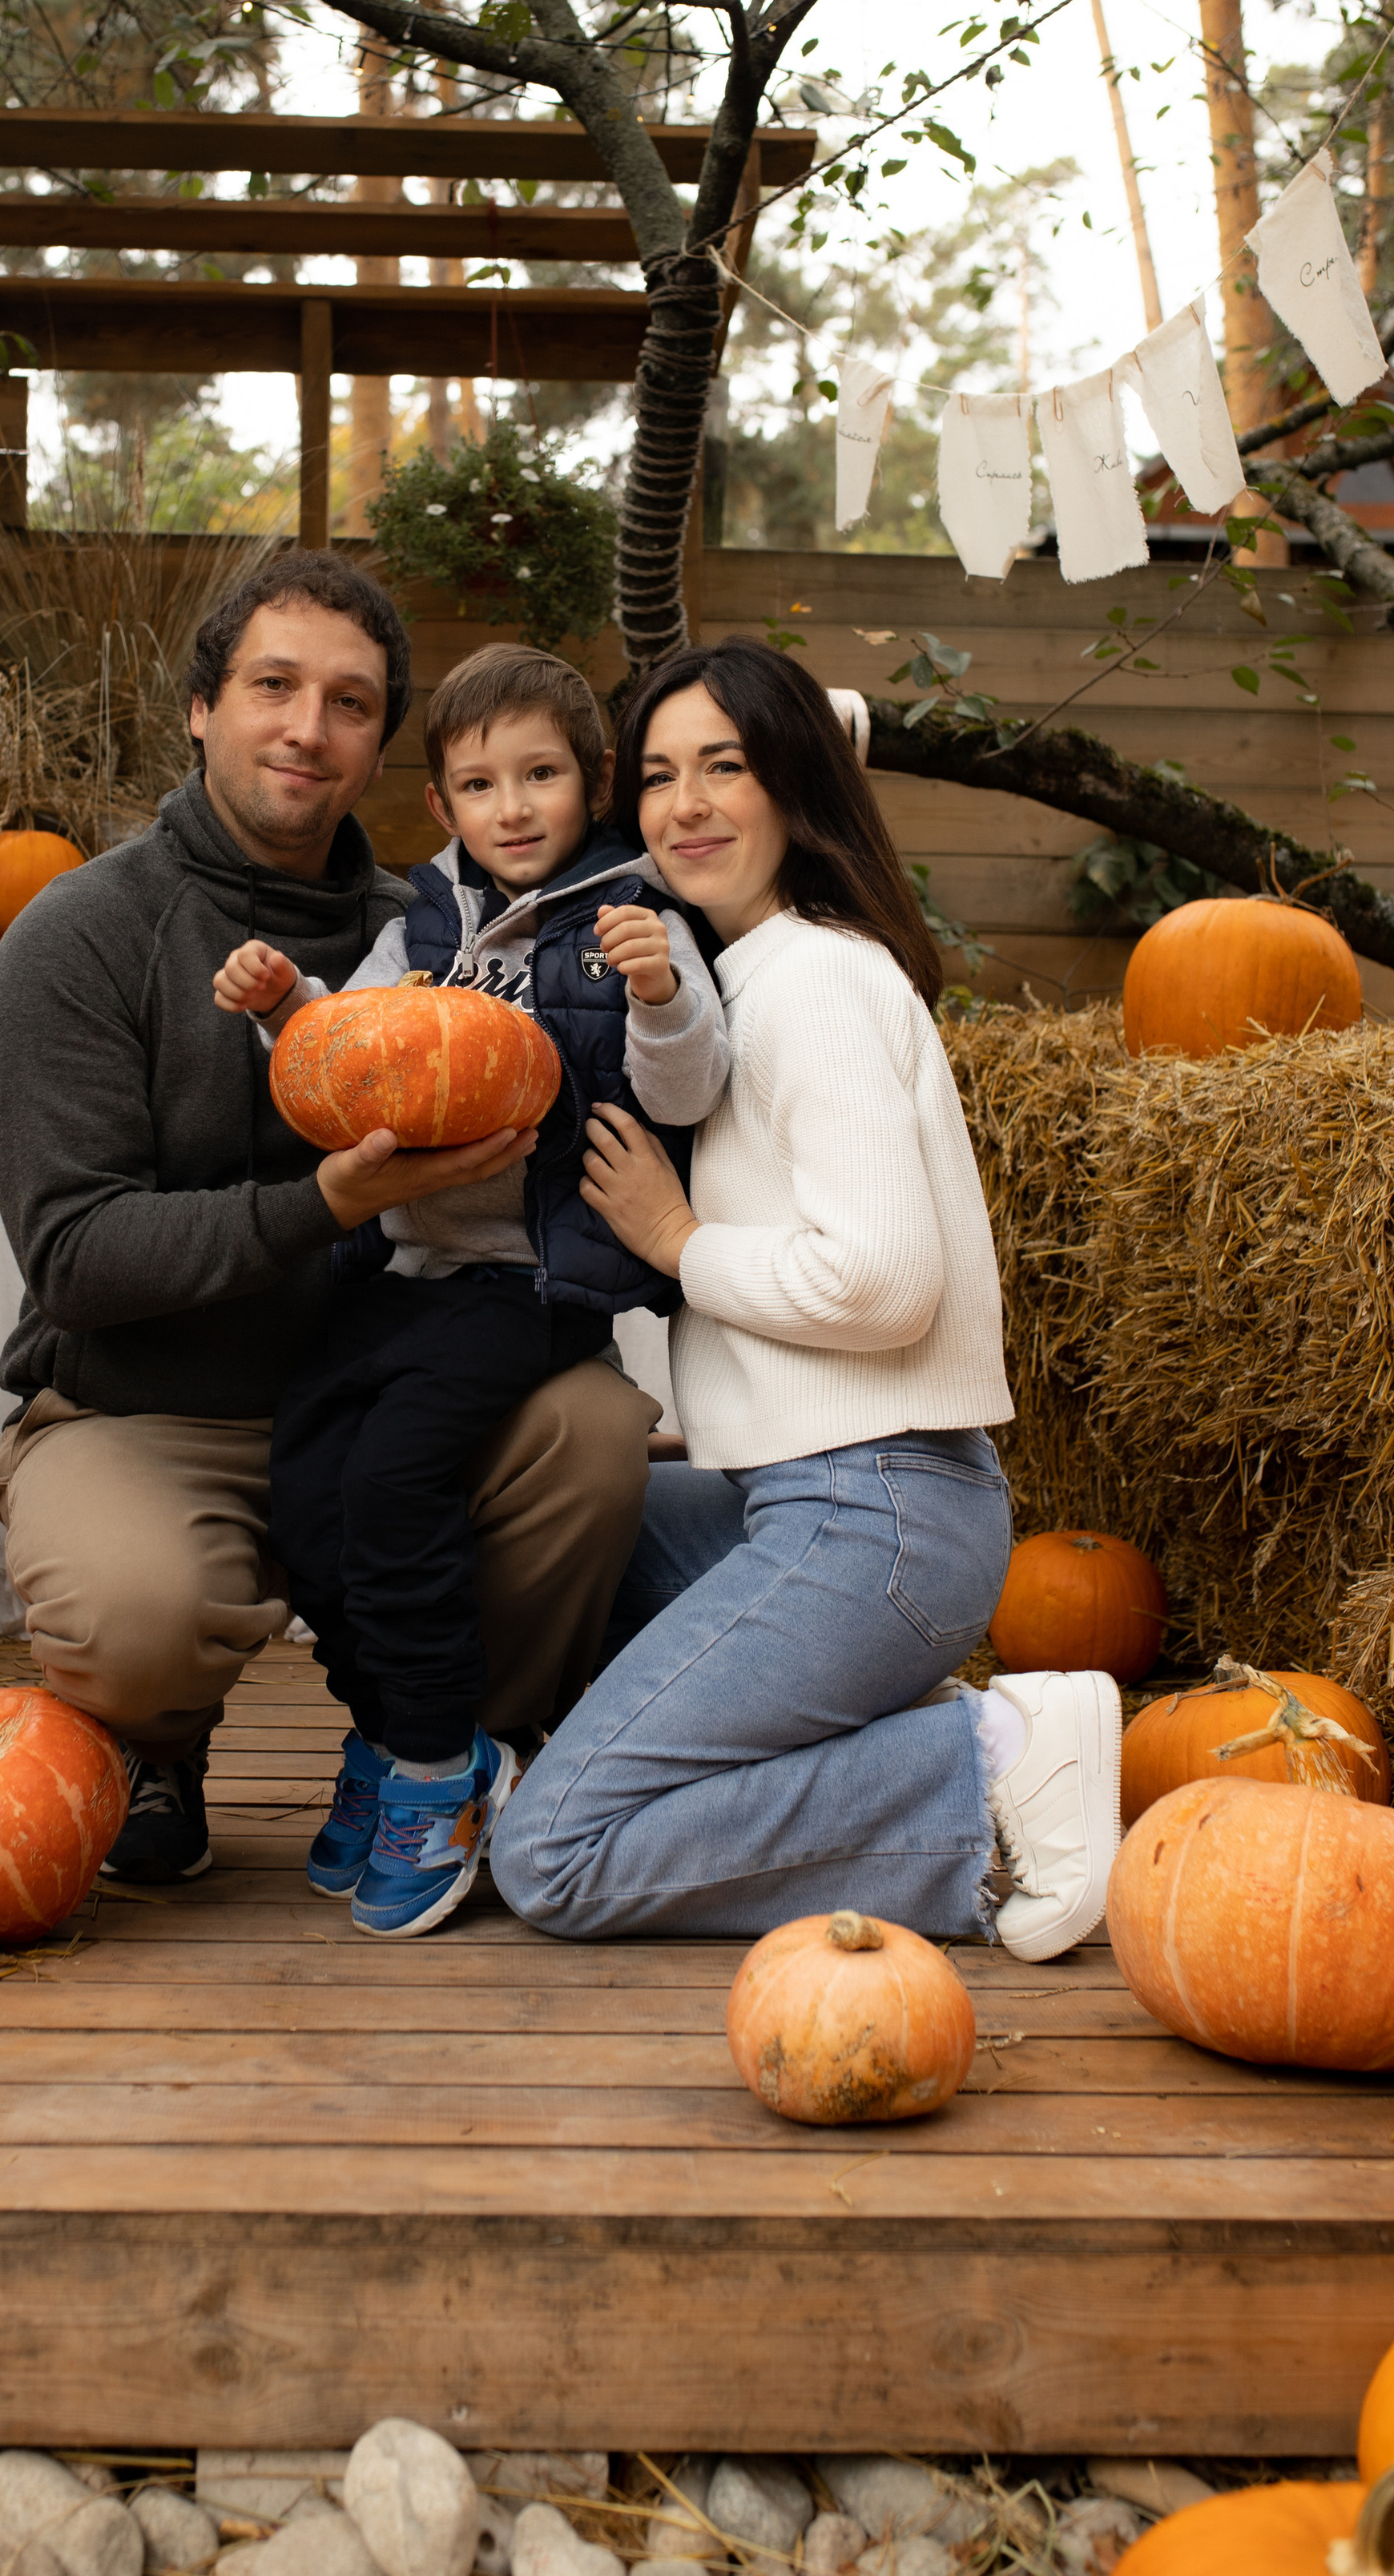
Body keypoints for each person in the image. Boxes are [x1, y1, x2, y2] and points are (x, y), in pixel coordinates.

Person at [0, 551, 659, 1885]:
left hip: (394, 1385)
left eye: (349, 702)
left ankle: (435, 1741)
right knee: (134, 1616)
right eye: (273, 686)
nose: (307, 727)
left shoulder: (440, 931)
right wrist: (323, 1203)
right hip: (153, 1408)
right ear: (201, 708)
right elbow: (75, 1258)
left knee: (593, 1432)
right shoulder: (80, 935)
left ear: (382, 747)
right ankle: (152, 1742)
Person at [490, 638, 1122, 1961]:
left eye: (726, 767)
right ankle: (683, 1758)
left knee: (555, 1856)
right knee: (550, 1520)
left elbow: (885, 1283)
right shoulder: (730, 981)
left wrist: (679, 1241)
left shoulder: (817, 981)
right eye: (658, 776)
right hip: (805, 1498)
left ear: (793, 786)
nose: (687, 806)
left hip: (876, 1513)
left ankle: (979, 1769)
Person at [212, 644, 728, 1936]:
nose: (514, 808)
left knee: (395, 1485)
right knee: (308, 1484)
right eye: (481, 785)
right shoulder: (421, 924)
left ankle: (441, 1764)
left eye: (540, 776)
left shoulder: (636, 916)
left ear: (591, 779)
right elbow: (351, 1058)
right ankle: (390, 1733)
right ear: (442, 805)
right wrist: (287, 1009)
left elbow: (688, 1091)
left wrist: (659, 994)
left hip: (524, 1282)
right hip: (399, 1268)